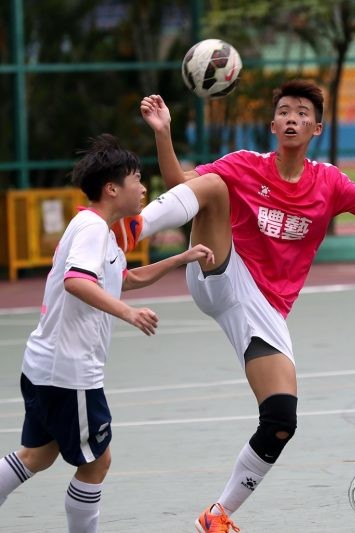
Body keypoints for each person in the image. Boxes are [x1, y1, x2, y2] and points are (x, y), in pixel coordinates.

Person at [125, 79, 355, 533]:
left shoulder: (329, 182)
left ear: (317, 127)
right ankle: (130, 230)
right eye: (284, 111)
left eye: (302, 112)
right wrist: (163, 132)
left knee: (280, 419)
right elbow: (182, 184)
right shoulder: (245, 165)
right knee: (215, 187)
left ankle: (217, 516)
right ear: (272, 123)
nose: (292, 117)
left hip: (264, 309)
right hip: (220, 268)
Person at [0, 133, 214, 533]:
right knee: (97, 462)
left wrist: (182, 257)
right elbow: (76, 282)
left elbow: (123, 279)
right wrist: (128, 314)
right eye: (136, 178)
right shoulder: (93, 229)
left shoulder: (98, 229)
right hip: (70, 373)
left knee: (37, 456)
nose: (144, 186)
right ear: (113, 188)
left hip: (46, 367)